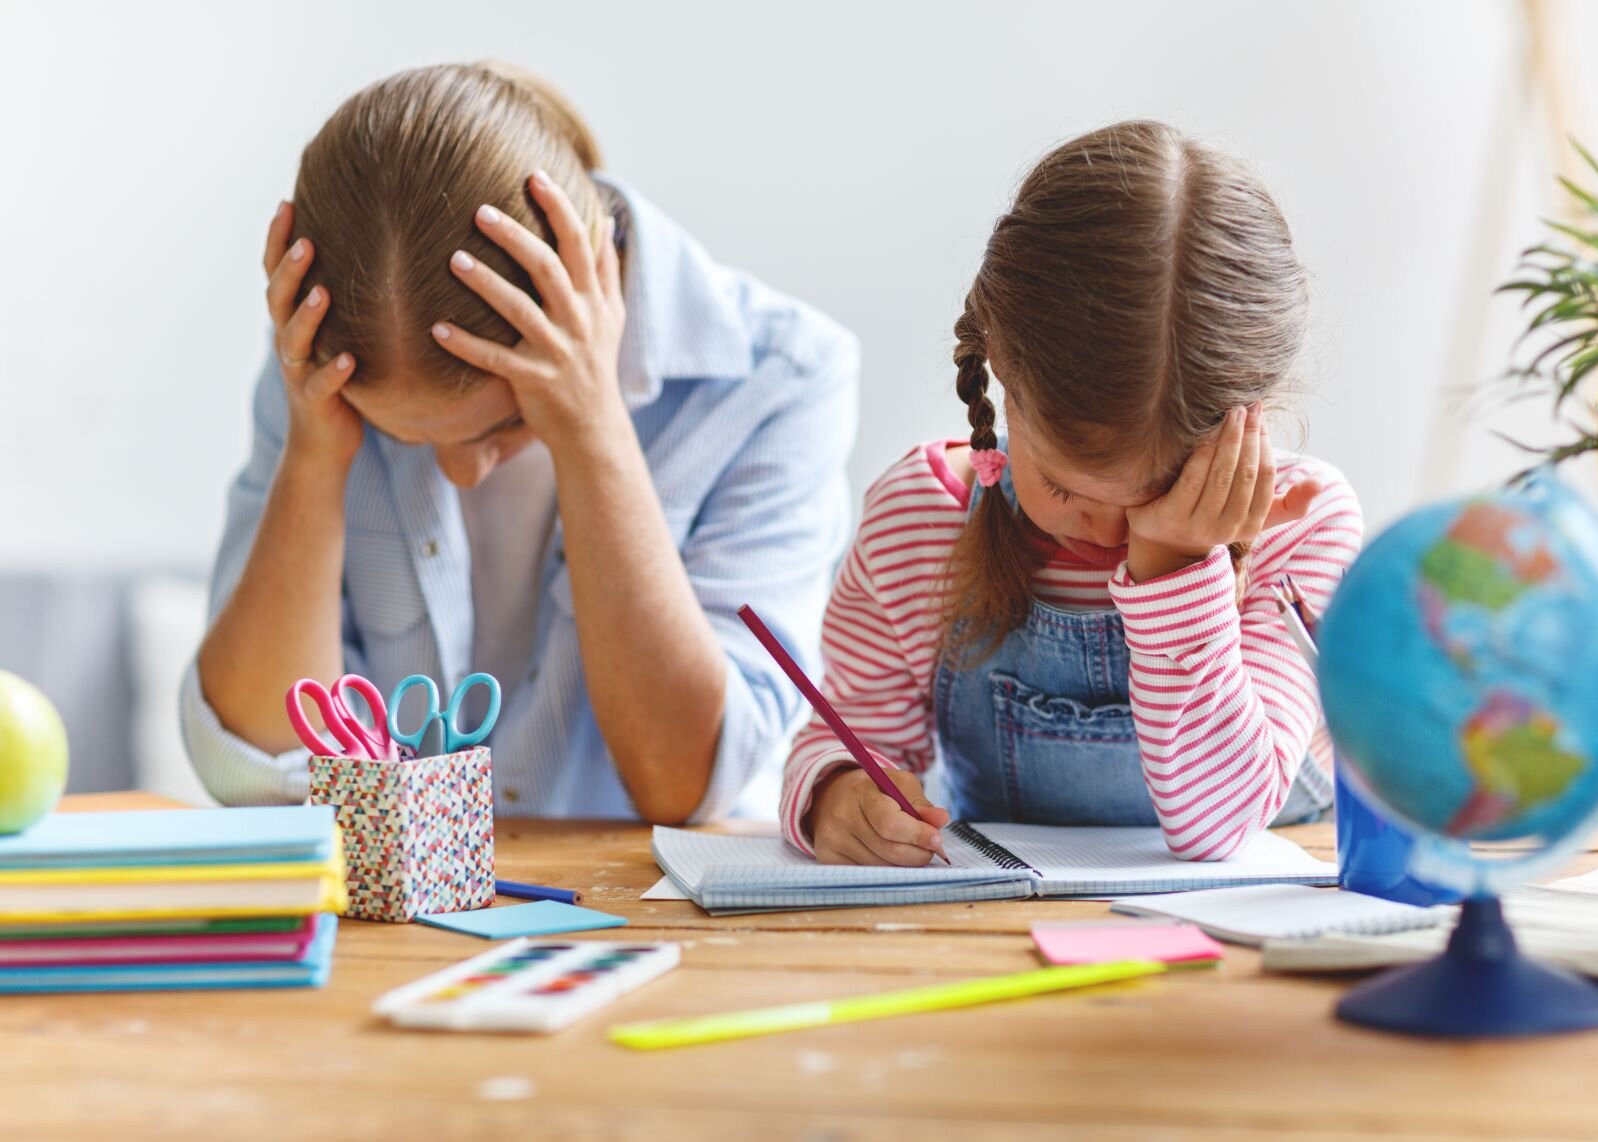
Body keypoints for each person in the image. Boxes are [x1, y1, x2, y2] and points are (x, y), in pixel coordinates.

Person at [185, 63, 857, 824]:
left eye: (503, 425)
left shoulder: (781, 375)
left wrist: (590, 428)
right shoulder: (327, 372)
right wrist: (315, 456)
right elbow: (251, 771)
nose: (460, 472)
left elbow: (688, 787)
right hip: (402, 928)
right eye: (397, 433)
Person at [782, 120, 1363, 865]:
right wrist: (835, 792)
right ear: (1000, 375)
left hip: (1244, 933)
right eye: (1062, 486)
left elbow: (1218, 827)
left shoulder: (1301, 525)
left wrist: (1178, 562)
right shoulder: (919, 520)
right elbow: (846, 731)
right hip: (1000, 932)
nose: (1108, 532)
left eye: (1157, 494)